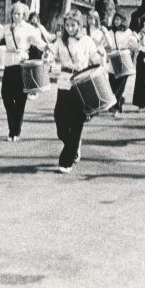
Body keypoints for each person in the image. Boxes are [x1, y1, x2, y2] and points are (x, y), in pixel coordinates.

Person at [46, 10, 103, 173]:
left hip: (81, 83)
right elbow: (51, 53)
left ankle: (66, 161)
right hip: (64, 82)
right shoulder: (60, 41)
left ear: (79, 25)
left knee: (77, 121)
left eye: (73, 25)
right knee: (60, 119)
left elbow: (95, 57)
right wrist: (48, 57)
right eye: (67, 25)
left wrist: (100, 58)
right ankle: (73, 145)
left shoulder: (87, 41)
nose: (70, 28)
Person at [0, 2, 47, 141]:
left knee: (20, 99)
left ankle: (15, 132)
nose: (16, 16)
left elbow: (38, 42)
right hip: (9, 65)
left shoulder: (28, 28)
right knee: (6, 96)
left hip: (23, 66)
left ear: (24, 15)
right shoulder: (6, 28)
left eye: (19, 14)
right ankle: (12, 127)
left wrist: (47, 47)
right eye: (14, 13)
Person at [104, 12, 139, 117]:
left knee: (120, 86)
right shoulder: (110, 32)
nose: (116, 21)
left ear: (123, 20)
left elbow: (134, 45)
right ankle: (119, 101)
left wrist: (134, 39)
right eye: (115, 19)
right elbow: (107, 45)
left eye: (119, 19)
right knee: (112, 85)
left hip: (124, 60)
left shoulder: (128, 32)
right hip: (113, 60)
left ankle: (116, 108)